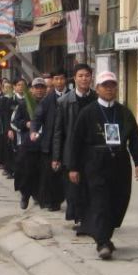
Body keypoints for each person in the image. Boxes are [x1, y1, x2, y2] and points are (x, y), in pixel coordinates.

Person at [69, 71, 138, 260]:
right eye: (105, 86)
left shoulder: (124, 112)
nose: (109, 89)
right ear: (97, 89)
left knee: (117, 201)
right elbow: (76, 141)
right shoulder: (88, 112)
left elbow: (135, 138)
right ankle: (102, 243)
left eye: (112, 85)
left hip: (119, 163)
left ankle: (105, 236)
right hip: (95, 163)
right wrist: (73, 167)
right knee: (100, 202)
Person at [53, 64, 97, 228]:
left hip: (93, 151)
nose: (84, 79)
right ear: (74, 78)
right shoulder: (64, 101)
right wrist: (56, 157)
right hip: (72, 152)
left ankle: (90, 219)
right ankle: (80, 218)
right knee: (75, 189)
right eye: (80, 76)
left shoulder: (97, 99)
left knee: (92, 186)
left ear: (91, 77)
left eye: (87, 75)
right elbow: (58, 132)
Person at [31, 69, 68, 211]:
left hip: (68, 141)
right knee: (51, 174)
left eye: (62, 78)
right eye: (56, 79)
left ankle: (68, 199)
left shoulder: (72, 97)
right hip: (50, 142)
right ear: (52, 81)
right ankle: (53, 201)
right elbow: (37, 118)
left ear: (66, 80)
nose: (59, 82)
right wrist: (34, 130)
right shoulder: (47, 100)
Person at [11, 78, 46, 210]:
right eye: (36, 87)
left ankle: (39, 195)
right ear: (31, 89)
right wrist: (25, 124)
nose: (39, 90)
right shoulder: (23, 104)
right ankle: (25, 195)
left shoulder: (49, 103)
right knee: (25, 172)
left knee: (40, 172)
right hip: (27, 144)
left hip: (44, 144)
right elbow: (14, 122)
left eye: (42, 87)